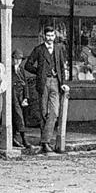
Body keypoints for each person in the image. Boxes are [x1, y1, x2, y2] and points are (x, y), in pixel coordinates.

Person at [24, 25, 71, 154]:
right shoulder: (39, 50)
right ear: (44, 36)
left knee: (54, 112)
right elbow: (27, 65)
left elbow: (62, 67)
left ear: (55, 36)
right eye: (48, 36)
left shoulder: (58, 49)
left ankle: (45, 141)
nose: (50, 38)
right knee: (44, 112)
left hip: (56, 82)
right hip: (43, 83)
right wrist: (39, 72)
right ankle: (46, 143)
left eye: (52, 36)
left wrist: (64, 82)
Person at [10, 49, 33, 149]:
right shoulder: (10, 70)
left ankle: (14, 138)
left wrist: (26, 98)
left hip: (21, 95)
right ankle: (24, 139)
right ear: (13, 59)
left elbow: (26, 85)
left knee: (21, 116)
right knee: (18, 116)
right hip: (13, 94)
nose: (18, 61)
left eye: (20, 59)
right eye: (16, 59)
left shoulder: (22, 70)